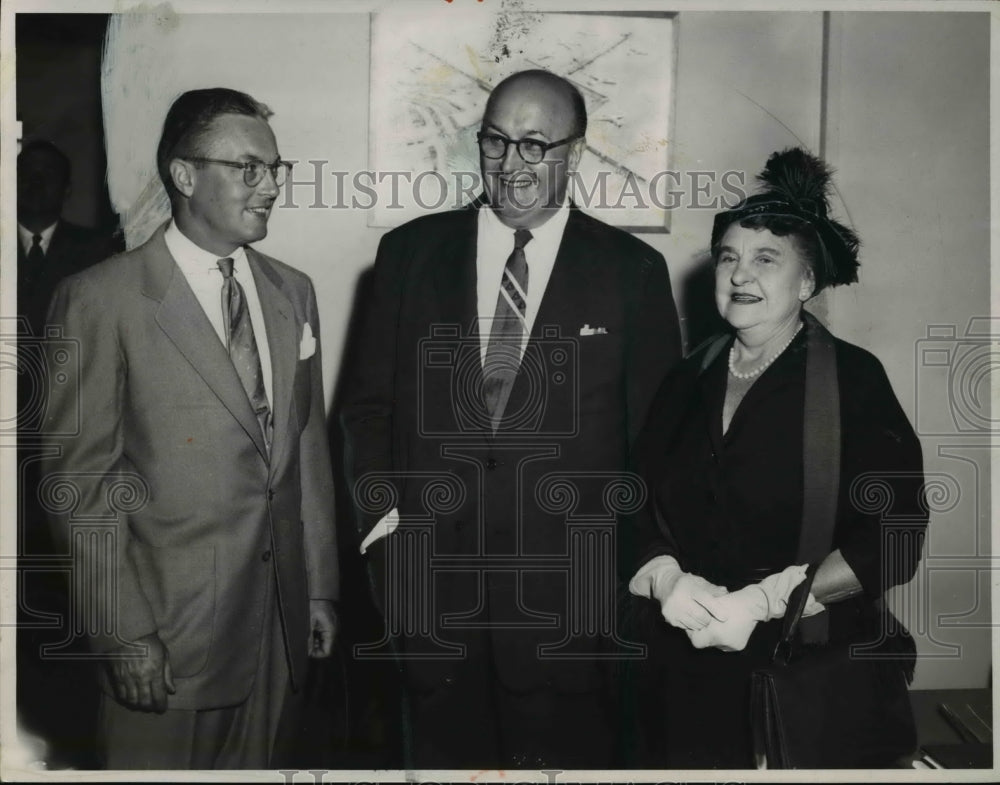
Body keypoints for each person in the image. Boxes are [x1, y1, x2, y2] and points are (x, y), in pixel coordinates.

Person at [341, 69, 681, 769]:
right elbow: (366, 410)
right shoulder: (408, 255)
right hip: (430, 602)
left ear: (576, 153)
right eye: (496, 141)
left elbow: (656, 448)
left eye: (535, 144)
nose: (511, 164)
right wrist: (382, 537)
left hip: (568, 617)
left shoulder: (633, 272)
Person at [41, 88, 339, 769]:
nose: (270, 187)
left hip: (277, 630)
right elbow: (78, 487)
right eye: (248, 168)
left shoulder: (293, 291)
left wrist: (319, 586)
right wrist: (124, 633)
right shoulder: (99, 298)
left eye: (275, 169)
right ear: (183, 175)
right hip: (166, 644)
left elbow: (306, 450)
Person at [628, 148, 927, 768]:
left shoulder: (853, 379)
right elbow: (631, 498)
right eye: (729, 258)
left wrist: (764, 602)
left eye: (767, 260)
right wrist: (665, 578)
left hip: (801, 668)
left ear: (808, 281)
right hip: (682, 671)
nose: (741, 277)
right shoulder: (687, 378)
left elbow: (895, 535)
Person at [17, 139, 120, 336]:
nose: (36, 182)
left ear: (67, 190)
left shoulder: (95, 252)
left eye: (48, 174)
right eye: (26, 173)